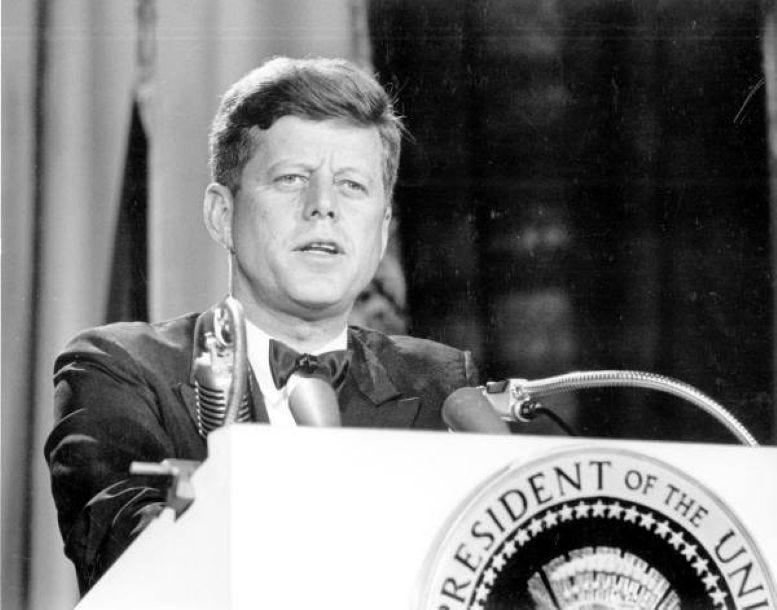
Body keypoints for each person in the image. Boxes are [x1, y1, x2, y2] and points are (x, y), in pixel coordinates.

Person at [44, 56, 478, 594]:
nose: (323, 207)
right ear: (221, 215)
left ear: (383, 229)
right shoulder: (119, 369)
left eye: (352, 185)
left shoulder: (441, 385)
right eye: (291, 179)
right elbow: (135, 568)